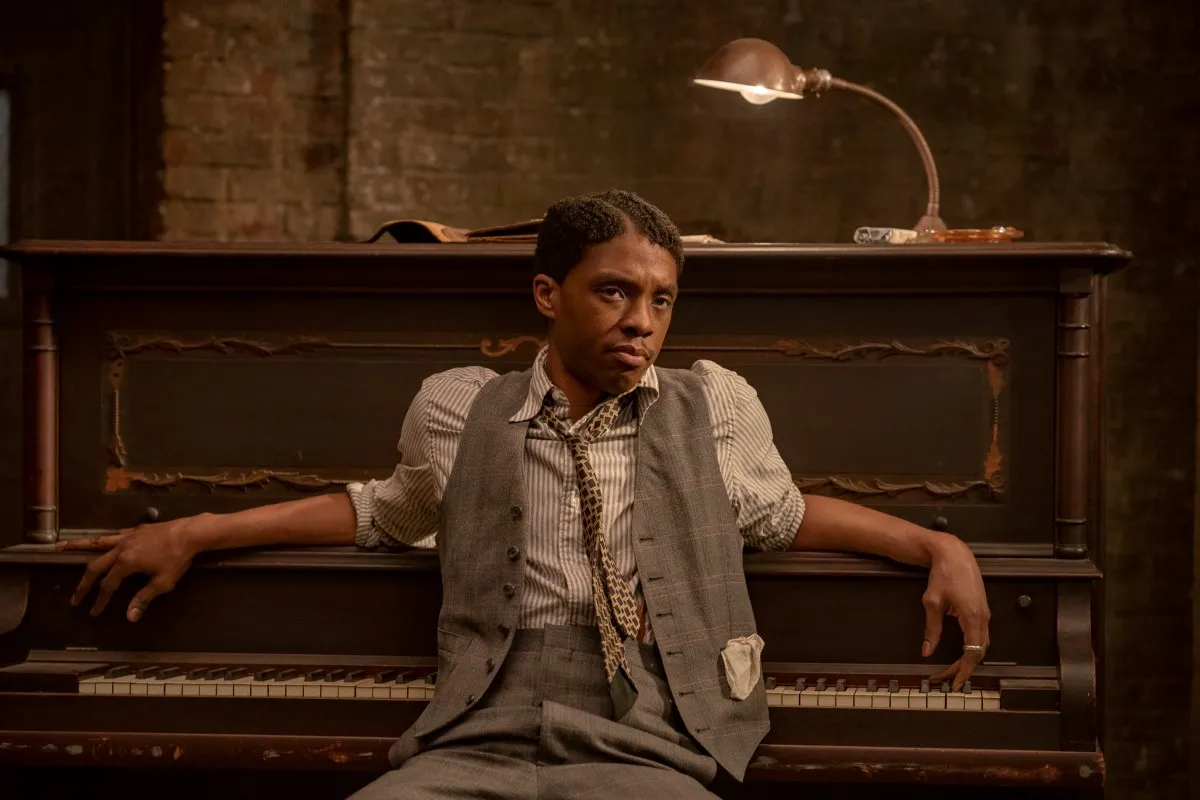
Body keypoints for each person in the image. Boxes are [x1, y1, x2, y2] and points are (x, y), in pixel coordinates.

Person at [60, 189, 990, 799]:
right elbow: (384, 510)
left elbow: (784, 517)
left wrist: (936, 545)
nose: (642, 322)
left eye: (662, 300)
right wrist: (198, 529)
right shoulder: (460, 406)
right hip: (481, 729)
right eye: (616, 293)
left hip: (649, 737)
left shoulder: (716, 406)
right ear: (548, 293)